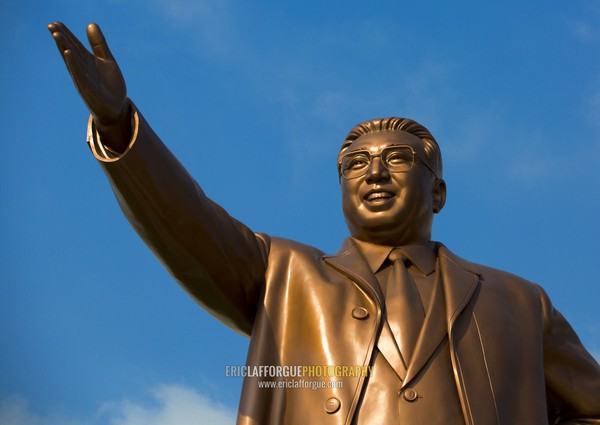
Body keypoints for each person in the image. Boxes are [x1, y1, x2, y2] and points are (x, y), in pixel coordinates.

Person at [48, 22, 600, 425]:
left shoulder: (522, 304)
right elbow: (187, 224)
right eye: (356, 164)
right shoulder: (284, 276)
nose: (375, 171)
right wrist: (120, 127)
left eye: (400, 158)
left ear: (439, 192)